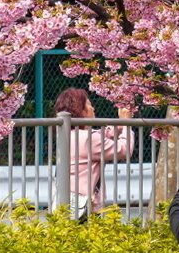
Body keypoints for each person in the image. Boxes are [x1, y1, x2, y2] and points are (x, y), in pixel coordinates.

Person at [52, 87, 135, 218]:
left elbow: (101, 136)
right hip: (85, 206)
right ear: (81, 111)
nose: (93, 108)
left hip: (66, 202)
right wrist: (126, 123)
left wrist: (119, 124)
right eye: (89, 105)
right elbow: (124, 150)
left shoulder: (67, 134)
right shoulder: (89, 139)